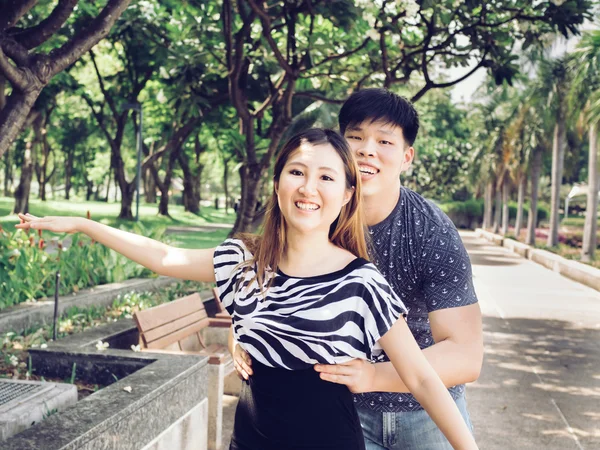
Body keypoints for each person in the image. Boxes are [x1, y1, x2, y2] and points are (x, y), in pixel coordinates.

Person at [16, 128, 478, 450]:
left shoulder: (362, 283)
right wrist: (83, 224)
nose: (308, 188)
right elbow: (163, 257)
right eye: (296, 172)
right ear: (277, 183)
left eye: (326, 177)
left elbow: (420, 378)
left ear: (346, 196)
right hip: (250, 441)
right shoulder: (242, 264)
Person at [233, 90, 484, 450]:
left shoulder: (430, 231)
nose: (367, 149)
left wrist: (374, 374)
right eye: (355, 137)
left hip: (425, 413)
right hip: (338, 414)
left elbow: (465, 356)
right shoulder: (311, 212)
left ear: (407, 156)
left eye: (384, 140)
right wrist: (240, 337)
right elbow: (261, 283)